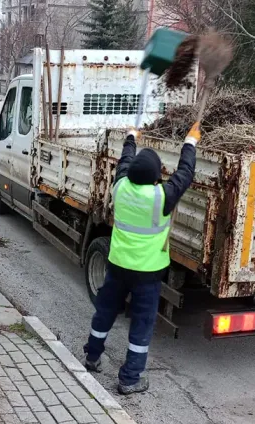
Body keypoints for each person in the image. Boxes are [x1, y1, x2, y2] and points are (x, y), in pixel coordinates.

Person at [83, 121, 201, 395]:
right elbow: (185, 173)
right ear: (155, 177)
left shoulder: (121, 187)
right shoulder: (161, 197)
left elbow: (124, 160)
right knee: (141, 323)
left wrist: (131, 137)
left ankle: (91, 357)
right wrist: (190, 142)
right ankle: (130, 378)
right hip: (148, 274)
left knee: (105, 311)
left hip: (117, 266)